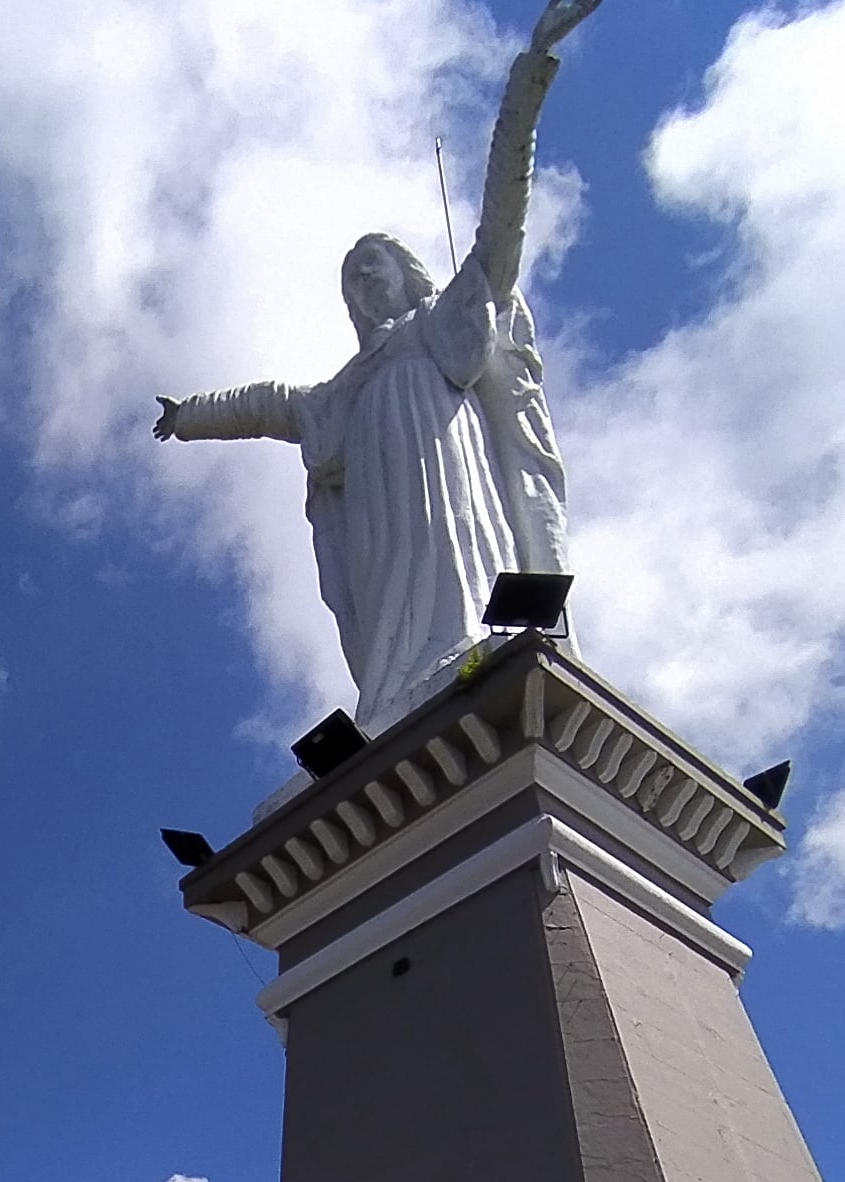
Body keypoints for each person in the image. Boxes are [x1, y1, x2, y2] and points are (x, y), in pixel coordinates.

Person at [150, 1, 598, 735]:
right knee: (394, 599)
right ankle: (398, 695)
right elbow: (263, 405)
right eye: (352, 277)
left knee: (460, 559)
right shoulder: (339, 396)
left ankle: (476, 650)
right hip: (383, 521)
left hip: (445, 471)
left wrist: (530, 79)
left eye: (373, 263)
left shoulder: (441, 327)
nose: (363, 280)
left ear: (409, 271)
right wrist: (188, 417)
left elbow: (501, 225)